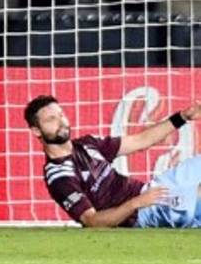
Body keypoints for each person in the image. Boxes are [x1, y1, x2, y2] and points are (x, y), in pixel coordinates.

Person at [24, 94, 201, 228]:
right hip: (143, 213)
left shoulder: (87, 145)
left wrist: (183, 117)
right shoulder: (59, 176)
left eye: (61, 115)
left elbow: (141, 140)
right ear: (36, 131)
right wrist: (136, 203)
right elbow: (92, 221)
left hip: (150, 190)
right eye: (51, 119)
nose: (61, 122)